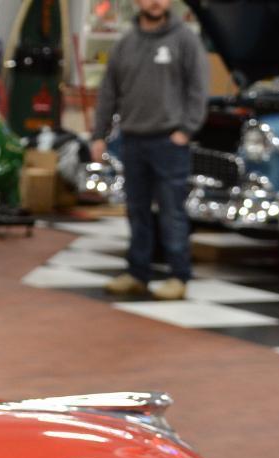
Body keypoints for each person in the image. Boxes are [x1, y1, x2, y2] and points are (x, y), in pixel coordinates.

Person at [87, 0, 207, 301]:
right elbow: (108, 92)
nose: (156, 2)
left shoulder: (185, 39)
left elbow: (198, 89)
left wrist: (186, 130)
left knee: (171, 212)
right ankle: (137, 273)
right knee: (136, 211)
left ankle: (178, 276)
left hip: (170, 142)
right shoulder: (125, 43)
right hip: (133, 140)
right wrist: (98, 135)